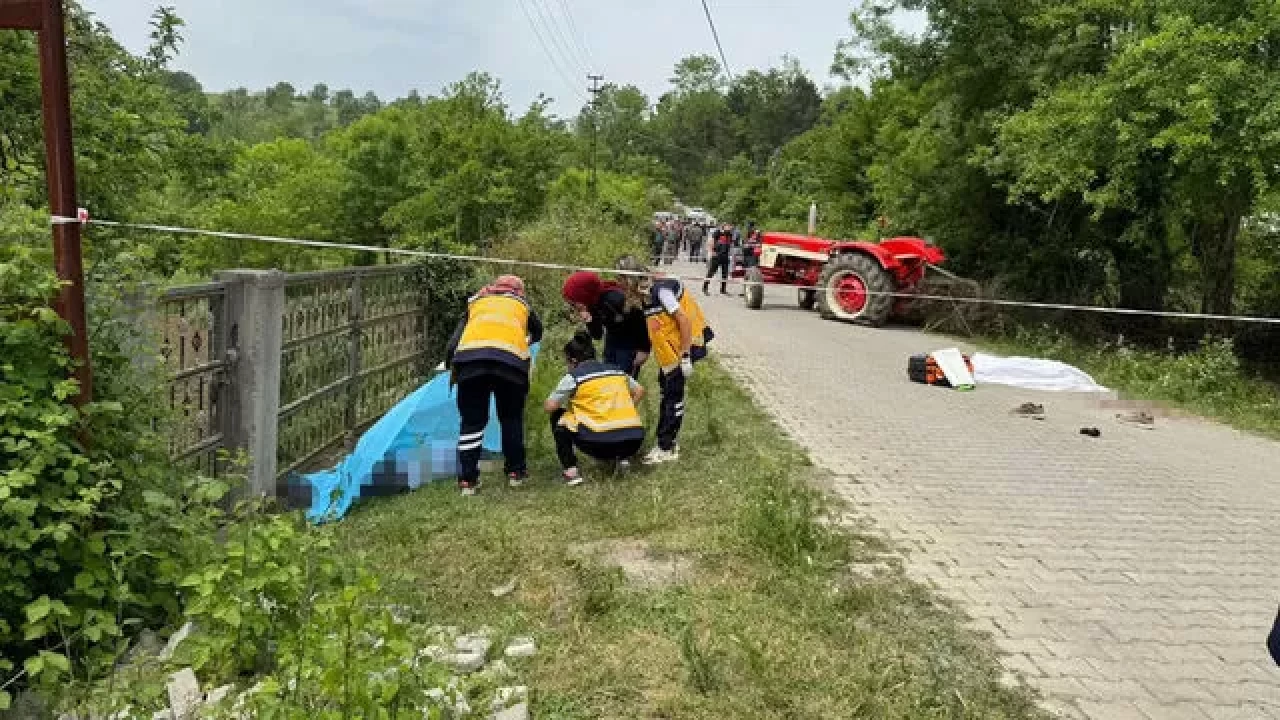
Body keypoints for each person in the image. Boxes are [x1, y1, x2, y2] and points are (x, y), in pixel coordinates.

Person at [444, 274, 543, 495]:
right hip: (510, 365)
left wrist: (449, 363)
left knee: (472, 422)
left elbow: (454, 341)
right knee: (510, 418)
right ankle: (516, 473)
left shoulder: (477, 302)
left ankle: (468, 481)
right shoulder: (521, 305)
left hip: (470, 364)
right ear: (519, 291)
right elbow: (538, 331)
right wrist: (525, 340)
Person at [543, 332, 646, 485]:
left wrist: (573, 406)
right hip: (633, 441)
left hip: (598, 443)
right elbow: (640, 391)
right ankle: (622, 460)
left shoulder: (574, 377)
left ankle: (571, 472)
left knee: (558, 416)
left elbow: (550, 407)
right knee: (618, 420)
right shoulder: (616, 370)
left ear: (573, 361)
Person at [637, 266, 712, 464]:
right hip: (670, 353)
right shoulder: (647, 293)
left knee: (673, 397)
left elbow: (683, 319)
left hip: (684, 348)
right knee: (667, 391)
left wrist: (686, 355)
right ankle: (667, 442)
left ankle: (666, 447)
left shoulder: (661, 292)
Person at [561, 270, 651, 378]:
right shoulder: (591, 303)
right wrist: (589, 321)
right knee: (609, 378)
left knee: (623, 382)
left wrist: (644, 350)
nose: (574, 306)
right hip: (612, 342)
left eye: (574, 302)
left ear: (584, 294)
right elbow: (597, 335)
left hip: (630, 345)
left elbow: (641, 320)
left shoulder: (615, 299)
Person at [703, 222, 733, 295]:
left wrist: (730, 254)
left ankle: (723, 290)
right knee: (711, 272)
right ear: (724, 226)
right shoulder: (717, 232)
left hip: (725, 257)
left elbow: (730, 244)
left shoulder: (730, 234)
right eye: (728, 226)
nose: (730, 227)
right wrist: (711, 251)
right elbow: (711, 242)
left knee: (725, 274)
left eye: (730, 226)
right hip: (717, 256)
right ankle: (705, 288)